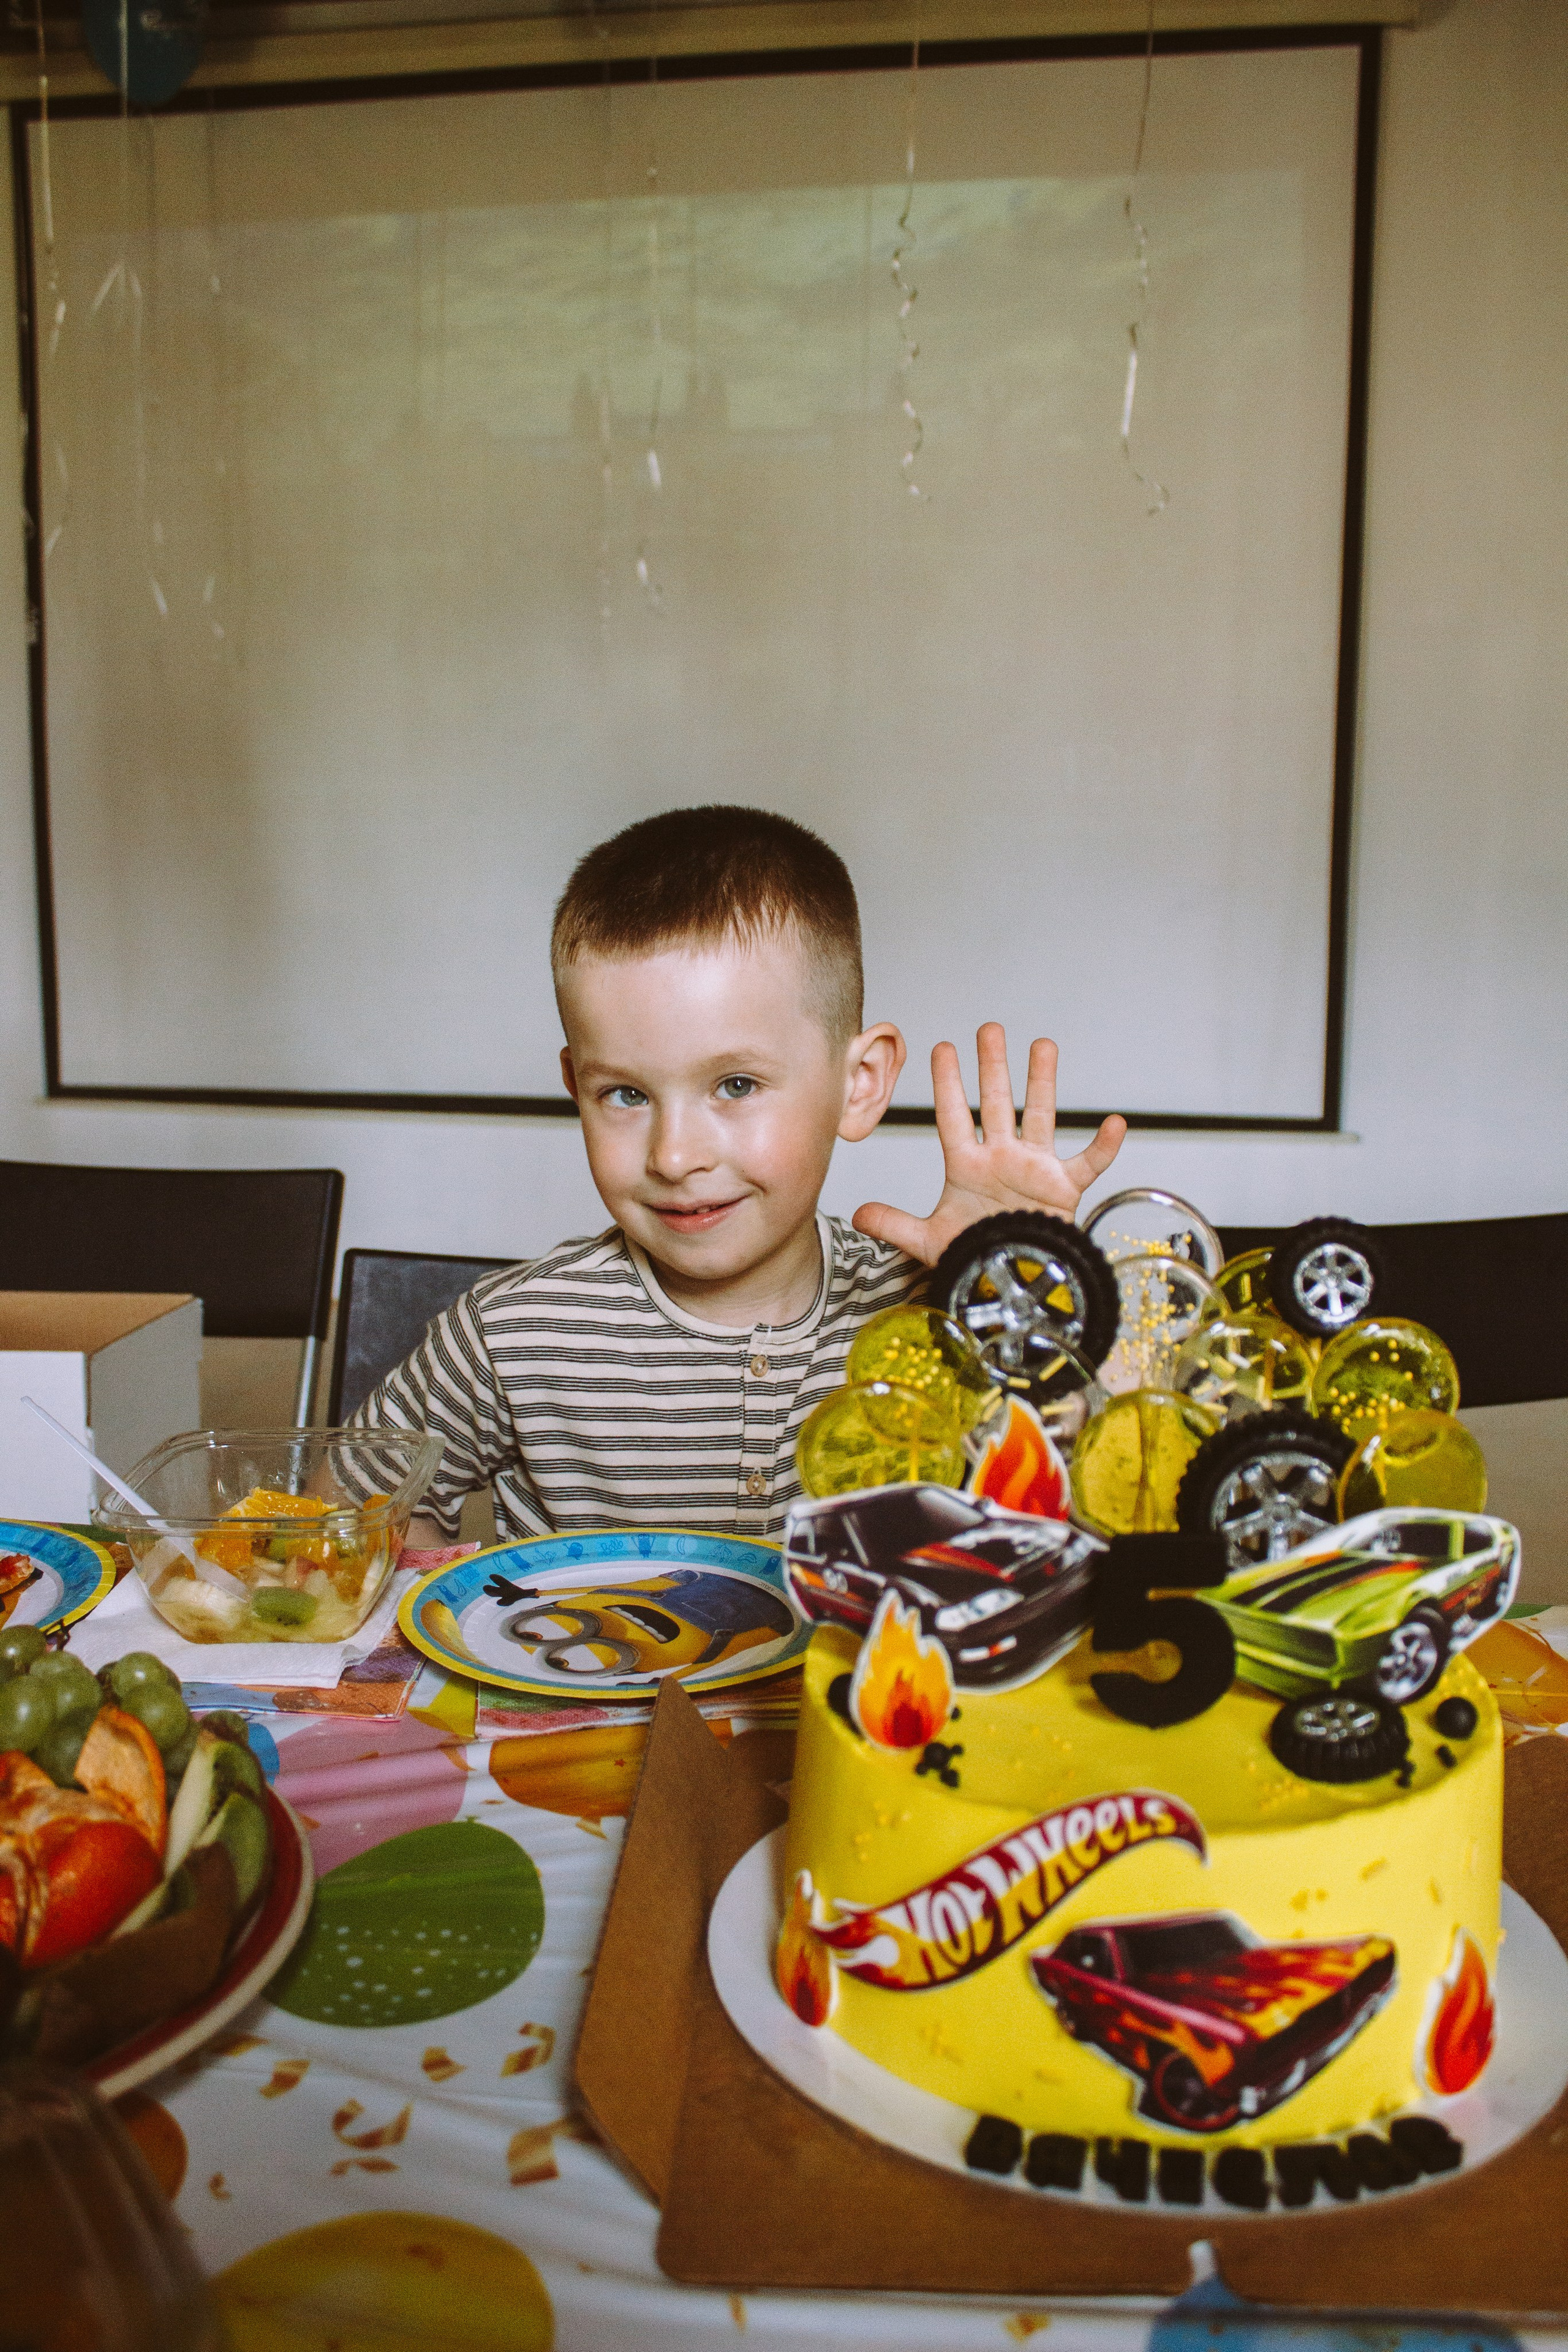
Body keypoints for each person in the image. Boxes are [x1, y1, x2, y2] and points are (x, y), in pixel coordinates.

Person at [352, 805, 1126, 1545]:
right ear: (574, 1086)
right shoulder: (511, 1334)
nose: (674, 1156)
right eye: (624, 1094)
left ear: (858, 1085)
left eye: (735, 1086)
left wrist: (1027, 1301)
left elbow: (1105, 1514)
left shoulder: (939, 1317)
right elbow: (346, 1512)